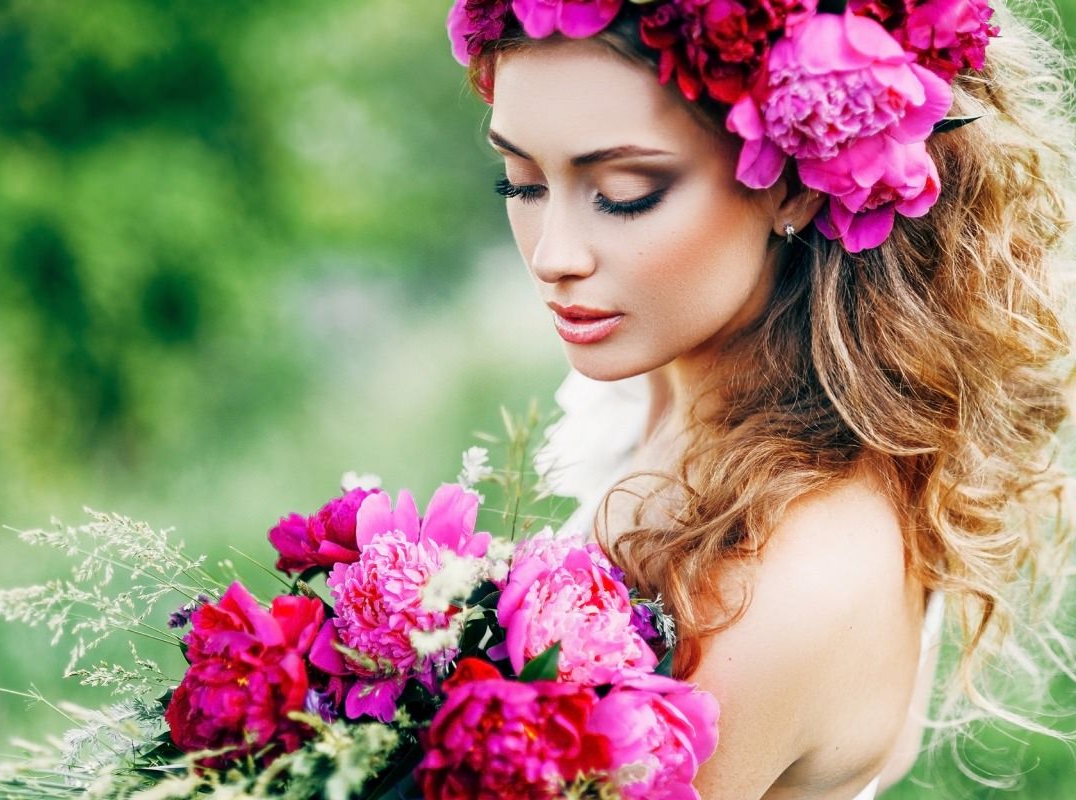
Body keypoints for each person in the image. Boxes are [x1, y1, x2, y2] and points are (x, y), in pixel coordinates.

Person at [446, 1, 1076, 798]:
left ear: (797, 187)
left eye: (626, 191)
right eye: (523, 181)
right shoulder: (675, 375)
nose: (553, 255)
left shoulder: (755, 594)